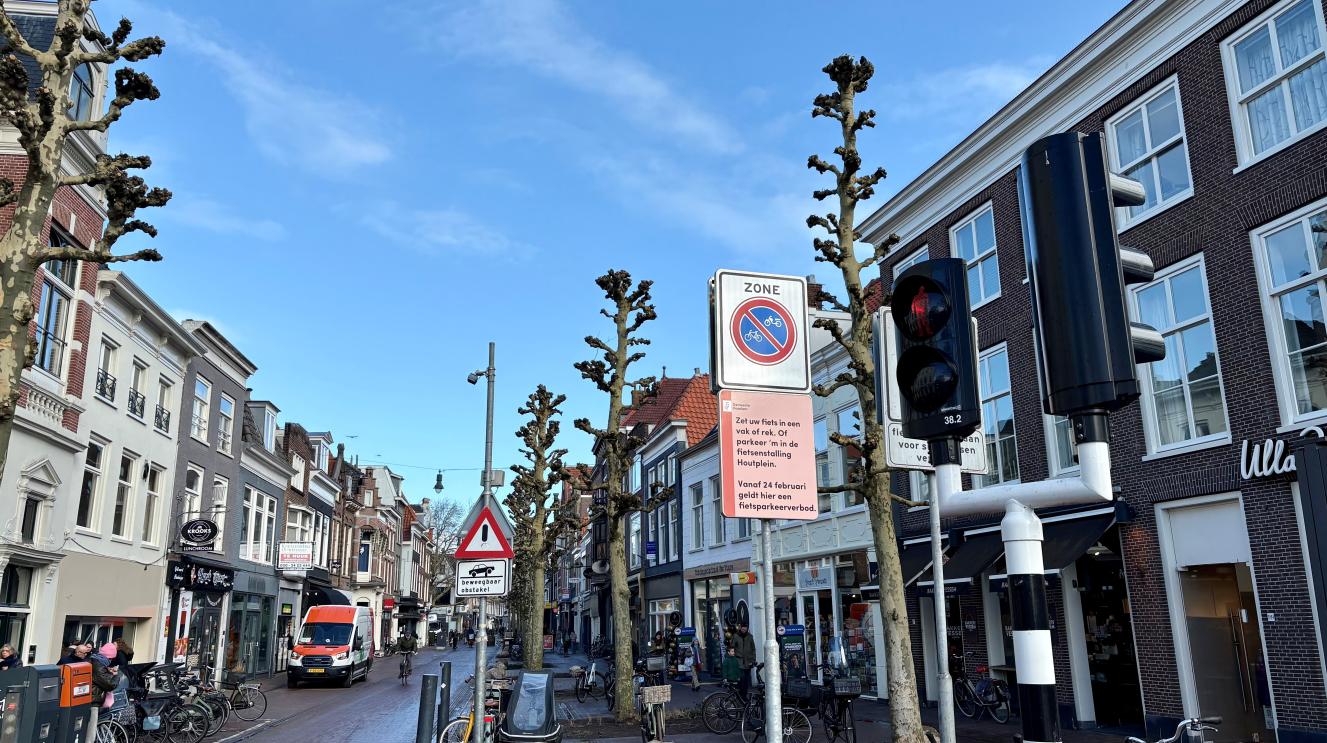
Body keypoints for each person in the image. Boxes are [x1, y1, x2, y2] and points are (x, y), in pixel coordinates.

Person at [734, 622, 757, 698]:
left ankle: (744, 695)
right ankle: (740, 695)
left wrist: (753, 660)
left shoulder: (750, 637)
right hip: (739, 661)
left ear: (747, 628)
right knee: (741, 679)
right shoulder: (736, 636)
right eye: (742, 627)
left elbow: (753, 649)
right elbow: (732, 647)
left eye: (745, 627)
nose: (744, 629)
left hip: (748, 662)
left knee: (746, 680)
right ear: (740, 628)